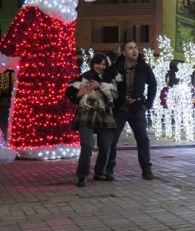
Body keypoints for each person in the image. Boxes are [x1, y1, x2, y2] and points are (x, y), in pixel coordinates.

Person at [105, 41, 157, 180]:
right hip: (120, 108)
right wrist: (123, 98)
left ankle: (146, 170)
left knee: (143, 139)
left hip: (137, 108)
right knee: (112, 139)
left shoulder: (143, 67)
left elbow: (153, 84)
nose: (134, 50)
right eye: (130, 48)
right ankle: (109, 169)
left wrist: (148, 104)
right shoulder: (114, 68)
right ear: (123, 52)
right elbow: (109, 88)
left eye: (135, 48)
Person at [65, 53, 117, 187]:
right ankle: (82, 176)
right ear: (92, 64)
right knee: (87, 145)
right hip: (86, 114)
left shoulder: (109, 79)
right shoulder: (83, 78)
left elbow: (115, 96)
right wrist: (78, 94)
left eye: (104, 64)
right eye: (98, 63)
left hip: (104, 115)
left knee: (106, 146)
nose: (101, 66)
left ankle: (100, 172)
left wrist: (99, 86)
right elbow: (70, 94)